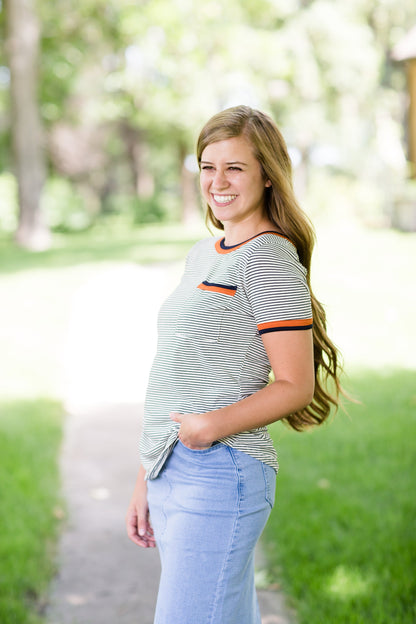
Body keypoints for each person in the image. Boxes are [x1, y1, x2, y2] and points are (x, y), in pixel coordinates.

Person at [126, 105, 342, 624]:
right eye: (207, 166)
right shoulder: (206, 252)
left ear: (267, 175)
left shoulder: (268, 257)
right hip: (173, 467)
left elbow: (295, 384)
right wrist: (146, 474)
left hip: (220, 472)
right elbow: (174, 372)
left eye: (235, 168)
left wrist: (207, 430)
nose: (217, 181)